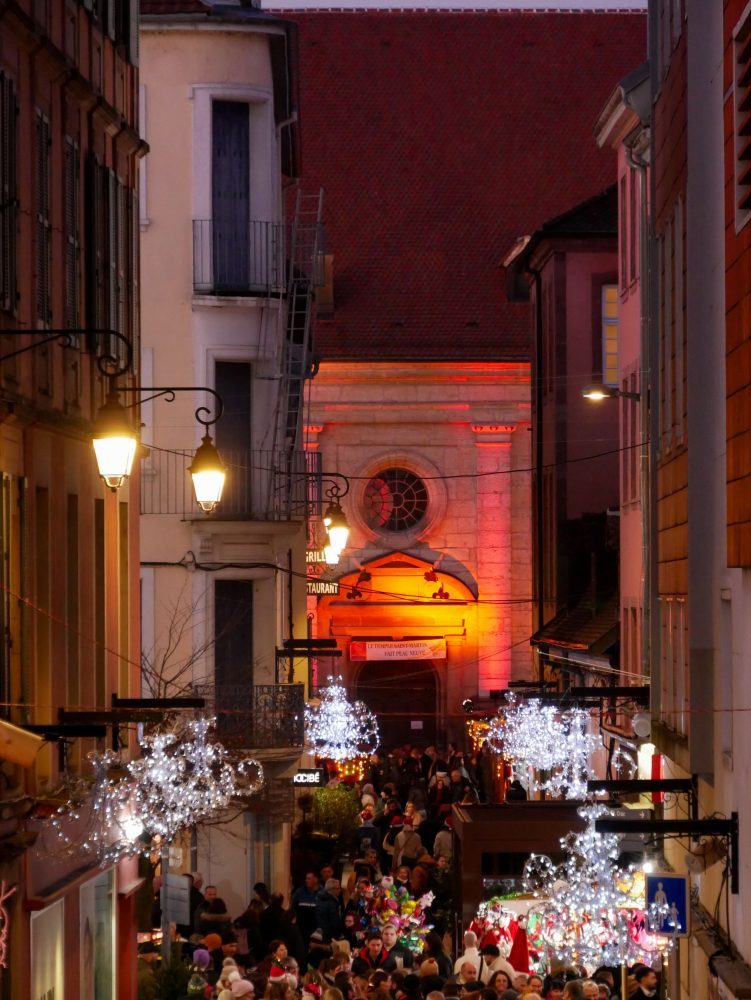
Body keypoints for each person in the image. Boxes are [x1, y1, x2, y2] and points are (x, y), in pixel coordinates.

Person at [292, 872, 321, 943]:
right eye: (306, 878)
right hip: (301, 929)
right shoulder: (299, 892)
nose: (306, 880)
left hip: (317, 929)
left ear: (316, 879)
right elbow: (293, 907)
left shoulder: (323, 893)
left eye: (309, 878)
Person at [316, 879, 344, 944]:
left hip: (320, 933)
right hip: (329, 936)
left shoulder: (319, 899)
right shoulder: (332, 904)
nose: (339, 890)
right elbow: (335, 923)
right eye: (338, 888)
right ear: (332, 889)